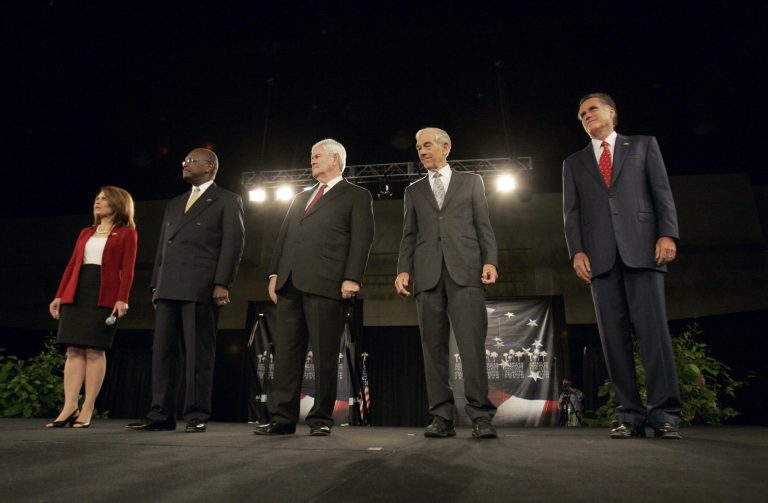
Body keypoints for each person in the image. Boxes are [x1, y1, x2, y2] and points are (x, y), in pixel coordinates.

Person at [562, 92, 682, 439]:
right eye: (581, 114)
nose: (586, 116)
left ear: (612, 112)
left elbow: (662, 193)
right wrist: (577, 252)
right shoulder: (574, 162)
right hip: (600, 259)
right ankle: (629, 415)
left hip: (645, 250)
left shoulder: (643, 145)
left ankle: (665, 415)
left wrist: (667, 235)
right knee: (613, 340)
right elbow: (571, 214)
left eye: (592, 109)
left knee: (654, 335)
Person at [254, 138, 374, 436]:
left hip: (327, 284)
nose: (312, 160)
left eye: (317, 156)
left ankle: (320, 419)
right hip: (290, 283)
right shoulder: (300, 197)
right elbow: (283, 238)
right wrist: (273, 274)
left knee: (324, 354)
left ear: (336, 160)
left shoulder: (356, 195)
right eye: (311, 156)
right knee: (286, 355)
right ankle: (282, 419)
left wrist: (352, 278)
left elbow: (362, 240)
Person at [126, 148, 245, 433]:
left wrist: (222, 282)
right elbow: (162, 247)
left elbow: (233, 244)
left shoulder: (227, 200)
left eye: (191, 161)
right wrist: (156, 283)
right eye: (184, 161)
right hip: (169, 285)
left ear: (209, 167)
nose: (185, 164)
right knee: (163, 352)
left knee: (197, 354)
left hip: (201, 285)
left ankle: (196, 413)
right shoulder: (175, 203)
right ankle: (160, 414)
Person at [395, 127, 499, 439]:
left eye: (427, 145)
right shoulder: (413, 191)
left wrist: (490, 260)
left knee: (471, 346)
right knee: (433, 349)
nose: (422, 151)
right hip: (426, 276)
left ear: (446, 147)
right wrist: (403, 270)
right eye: (418, 148)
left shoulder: (471, 182)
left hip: (465, 272)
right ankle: (441, 416)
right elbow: (408, 236)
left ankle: (481, 415)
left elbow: (484, 225)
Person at [47, 186, 138, 428]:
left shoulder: (127, 234)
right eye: (96, 198)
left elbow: (128, 270)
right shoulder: (85, 232)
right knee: (73, 350)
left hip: (104, 294)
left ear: (117, 204)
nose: (98, 202)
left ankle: (87, 407)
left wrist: (122, 298)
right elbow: (71, 265)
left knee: (95, 350)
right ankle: (69, 406)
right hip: (77, 291)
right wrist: (60, 295)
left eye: (104, 199)